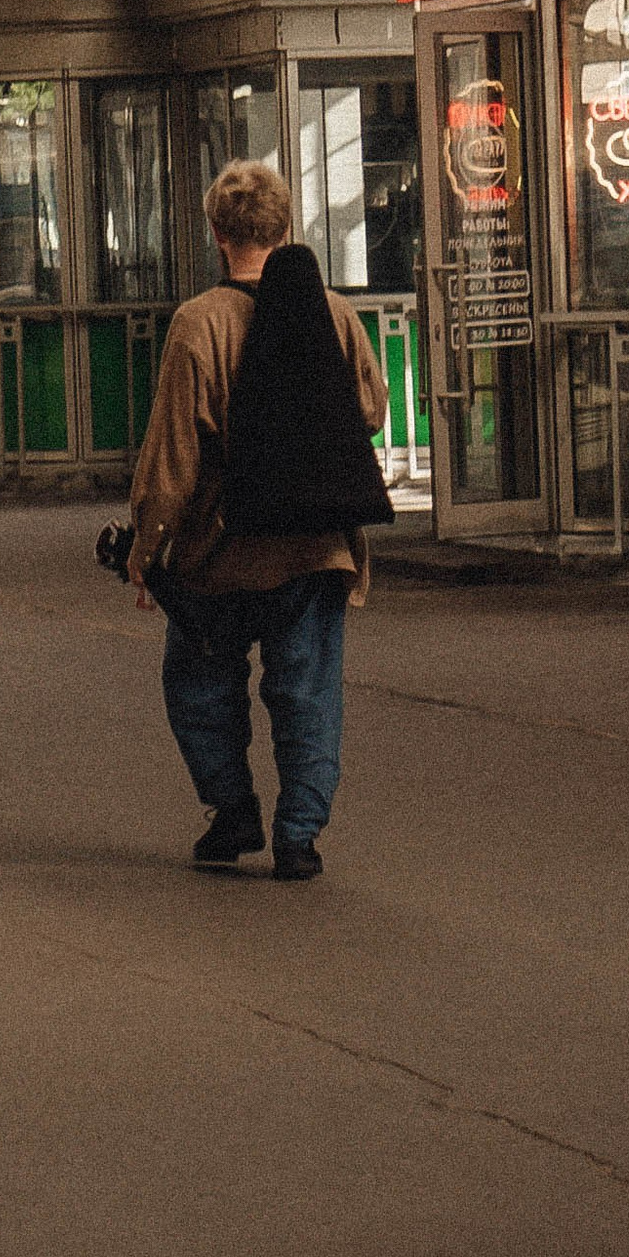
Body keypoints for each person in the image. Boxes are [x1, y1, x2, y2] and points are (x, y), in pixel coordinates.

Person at [119, 159, 392, 883]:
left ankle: (232, 810)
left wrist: (146, 548)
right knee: (307, 691)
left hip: (220, 551)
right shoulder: (332, 312)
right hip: (315, 548)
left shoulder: (198, 323)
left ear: (216, 232)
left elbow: (173, 453)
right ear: (285, 228)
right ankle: (299, 837)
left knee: (200, 683)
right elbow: (369, 409)